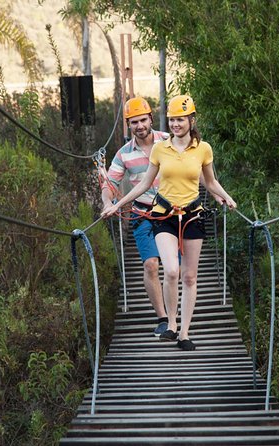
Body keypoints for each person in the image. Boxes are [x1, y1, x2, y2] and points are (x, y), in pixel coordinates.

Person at [102, 94, 237, 351]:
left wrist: (225, 197)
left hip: (191, 214)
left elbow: (208, 181)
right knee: (166, 268)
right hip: (154, 213)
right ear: (129, 125)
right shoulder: (151, 150)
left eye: (180, 119)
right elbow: (127, 184)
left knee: (189, 276)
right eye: (172, 119)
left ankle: (184, 333)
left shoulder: (198, 147)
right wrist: (115, 204)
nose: (175, 124)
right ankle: (168, 322)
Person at [101, 96, 169, 336]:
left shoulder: (169, 142)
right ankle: (163, 318)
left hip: (174, 213)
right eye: (134, 122)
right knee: (151, 265)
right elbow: (109, 183)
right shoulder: (123, 155)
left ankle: (175, 314)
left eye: (143, 120)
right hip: (142, 213)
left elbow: (195, 167)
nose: (139, 126)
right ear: (128, 126)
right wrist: (108, 202)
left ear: (151, 118)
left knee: (175, 270)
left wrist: (215, 191)